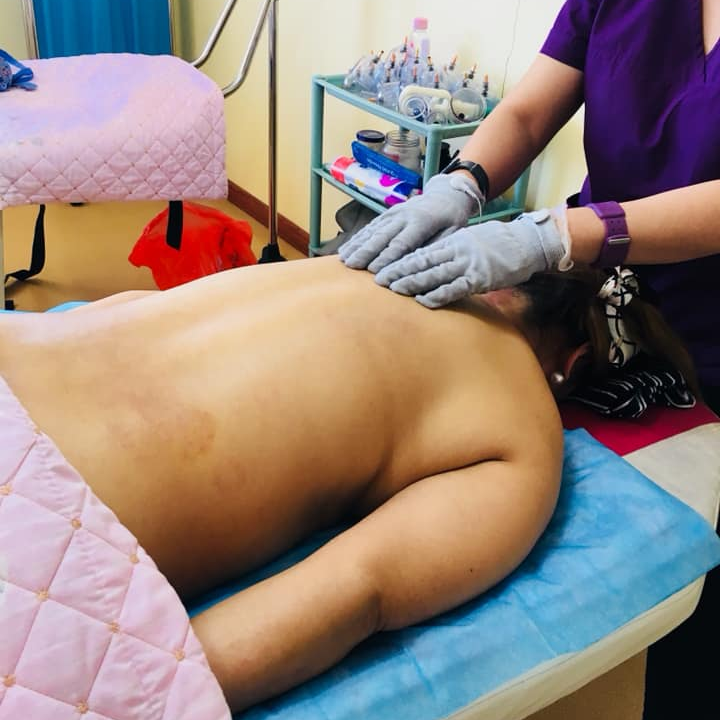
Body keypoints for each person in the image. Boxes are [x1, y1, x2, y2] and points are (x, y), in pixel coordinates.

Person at [0, 255, 695, 712]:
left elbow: (120, 308)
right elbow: (357, 591)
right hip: (38, 497)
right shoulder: (523, 425)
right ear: (575, 363)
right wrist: (135, 690)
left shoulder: (363, 262)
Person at [339, 5, 720, 712]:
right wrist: (461, 182)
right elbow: (524, 112)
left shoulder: (516, 453)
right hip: (589, 285)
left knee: (693, 634)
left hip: (695, 328)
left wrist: (560, 234)